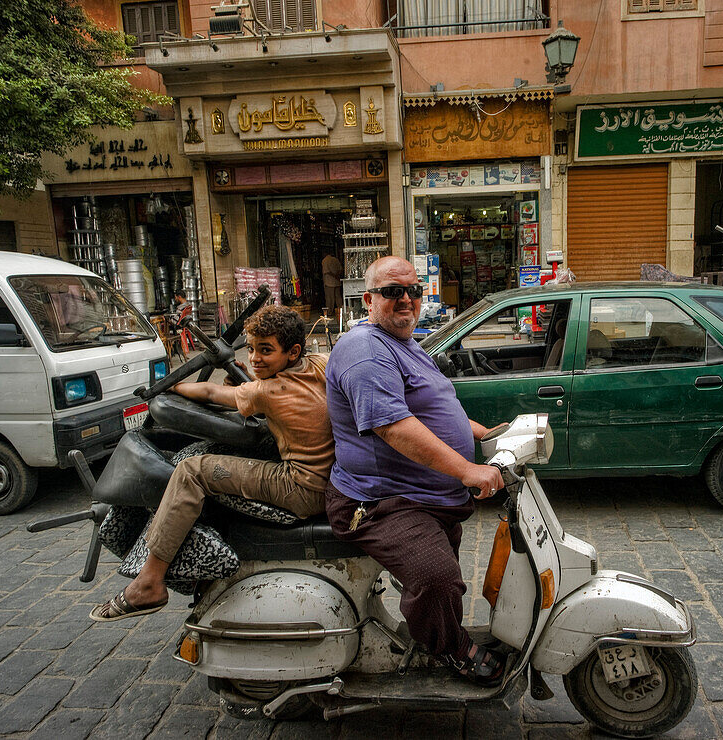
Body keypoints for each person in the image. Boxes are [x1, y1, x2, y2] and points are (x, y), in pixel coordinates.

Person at [324, 256, 506, 686]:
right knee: (436, 577)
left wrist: (487, 433)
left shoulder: (405, 343)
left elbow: (429, 408)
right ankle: (449, 649)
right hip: (379, 501)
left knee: (446, 576)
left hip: (421, 497)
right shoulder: (364, 349)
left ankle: (437, 629)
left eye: (413, 291)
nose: (406, 299)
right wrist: (465, 469)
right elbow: (392, 426)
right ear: (369, 299)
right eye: (392, 291)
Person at [90, 305, 333, 621]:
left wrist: (167, 389)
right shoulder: (318, 364)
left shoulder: (268, 389)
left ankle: (149, 582)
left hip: (299, 486)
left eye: (267, 350)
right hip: (328, 480)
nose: (256, 359)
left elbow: (207, 390)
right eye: (253, 349)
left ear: (292, 351)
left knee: (191, 470)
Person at [322, 250, 344, 314]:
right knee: (338, 297)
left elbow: (326, 271)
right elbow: (340, 269)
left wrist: (333, 275)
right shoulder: (335, 260)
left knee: (329, 298)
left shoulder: (325, 261)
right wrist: (336, 276)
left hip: (329, 282)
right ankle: (341, 311)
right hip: (337, 281)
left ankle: (329, 312)